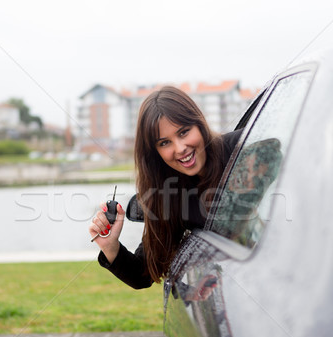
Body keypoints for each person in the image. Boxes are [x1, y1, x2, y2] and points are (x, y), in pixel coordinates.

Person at [88, 86, 243, 289]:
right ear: (155, 153)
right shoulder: (170, 197)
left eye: (184, 132)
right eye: (164, 143)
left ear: (200, 124)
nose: (180, 149)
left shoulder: (244, 146)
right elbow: (142, 274)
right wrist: (110, 246)